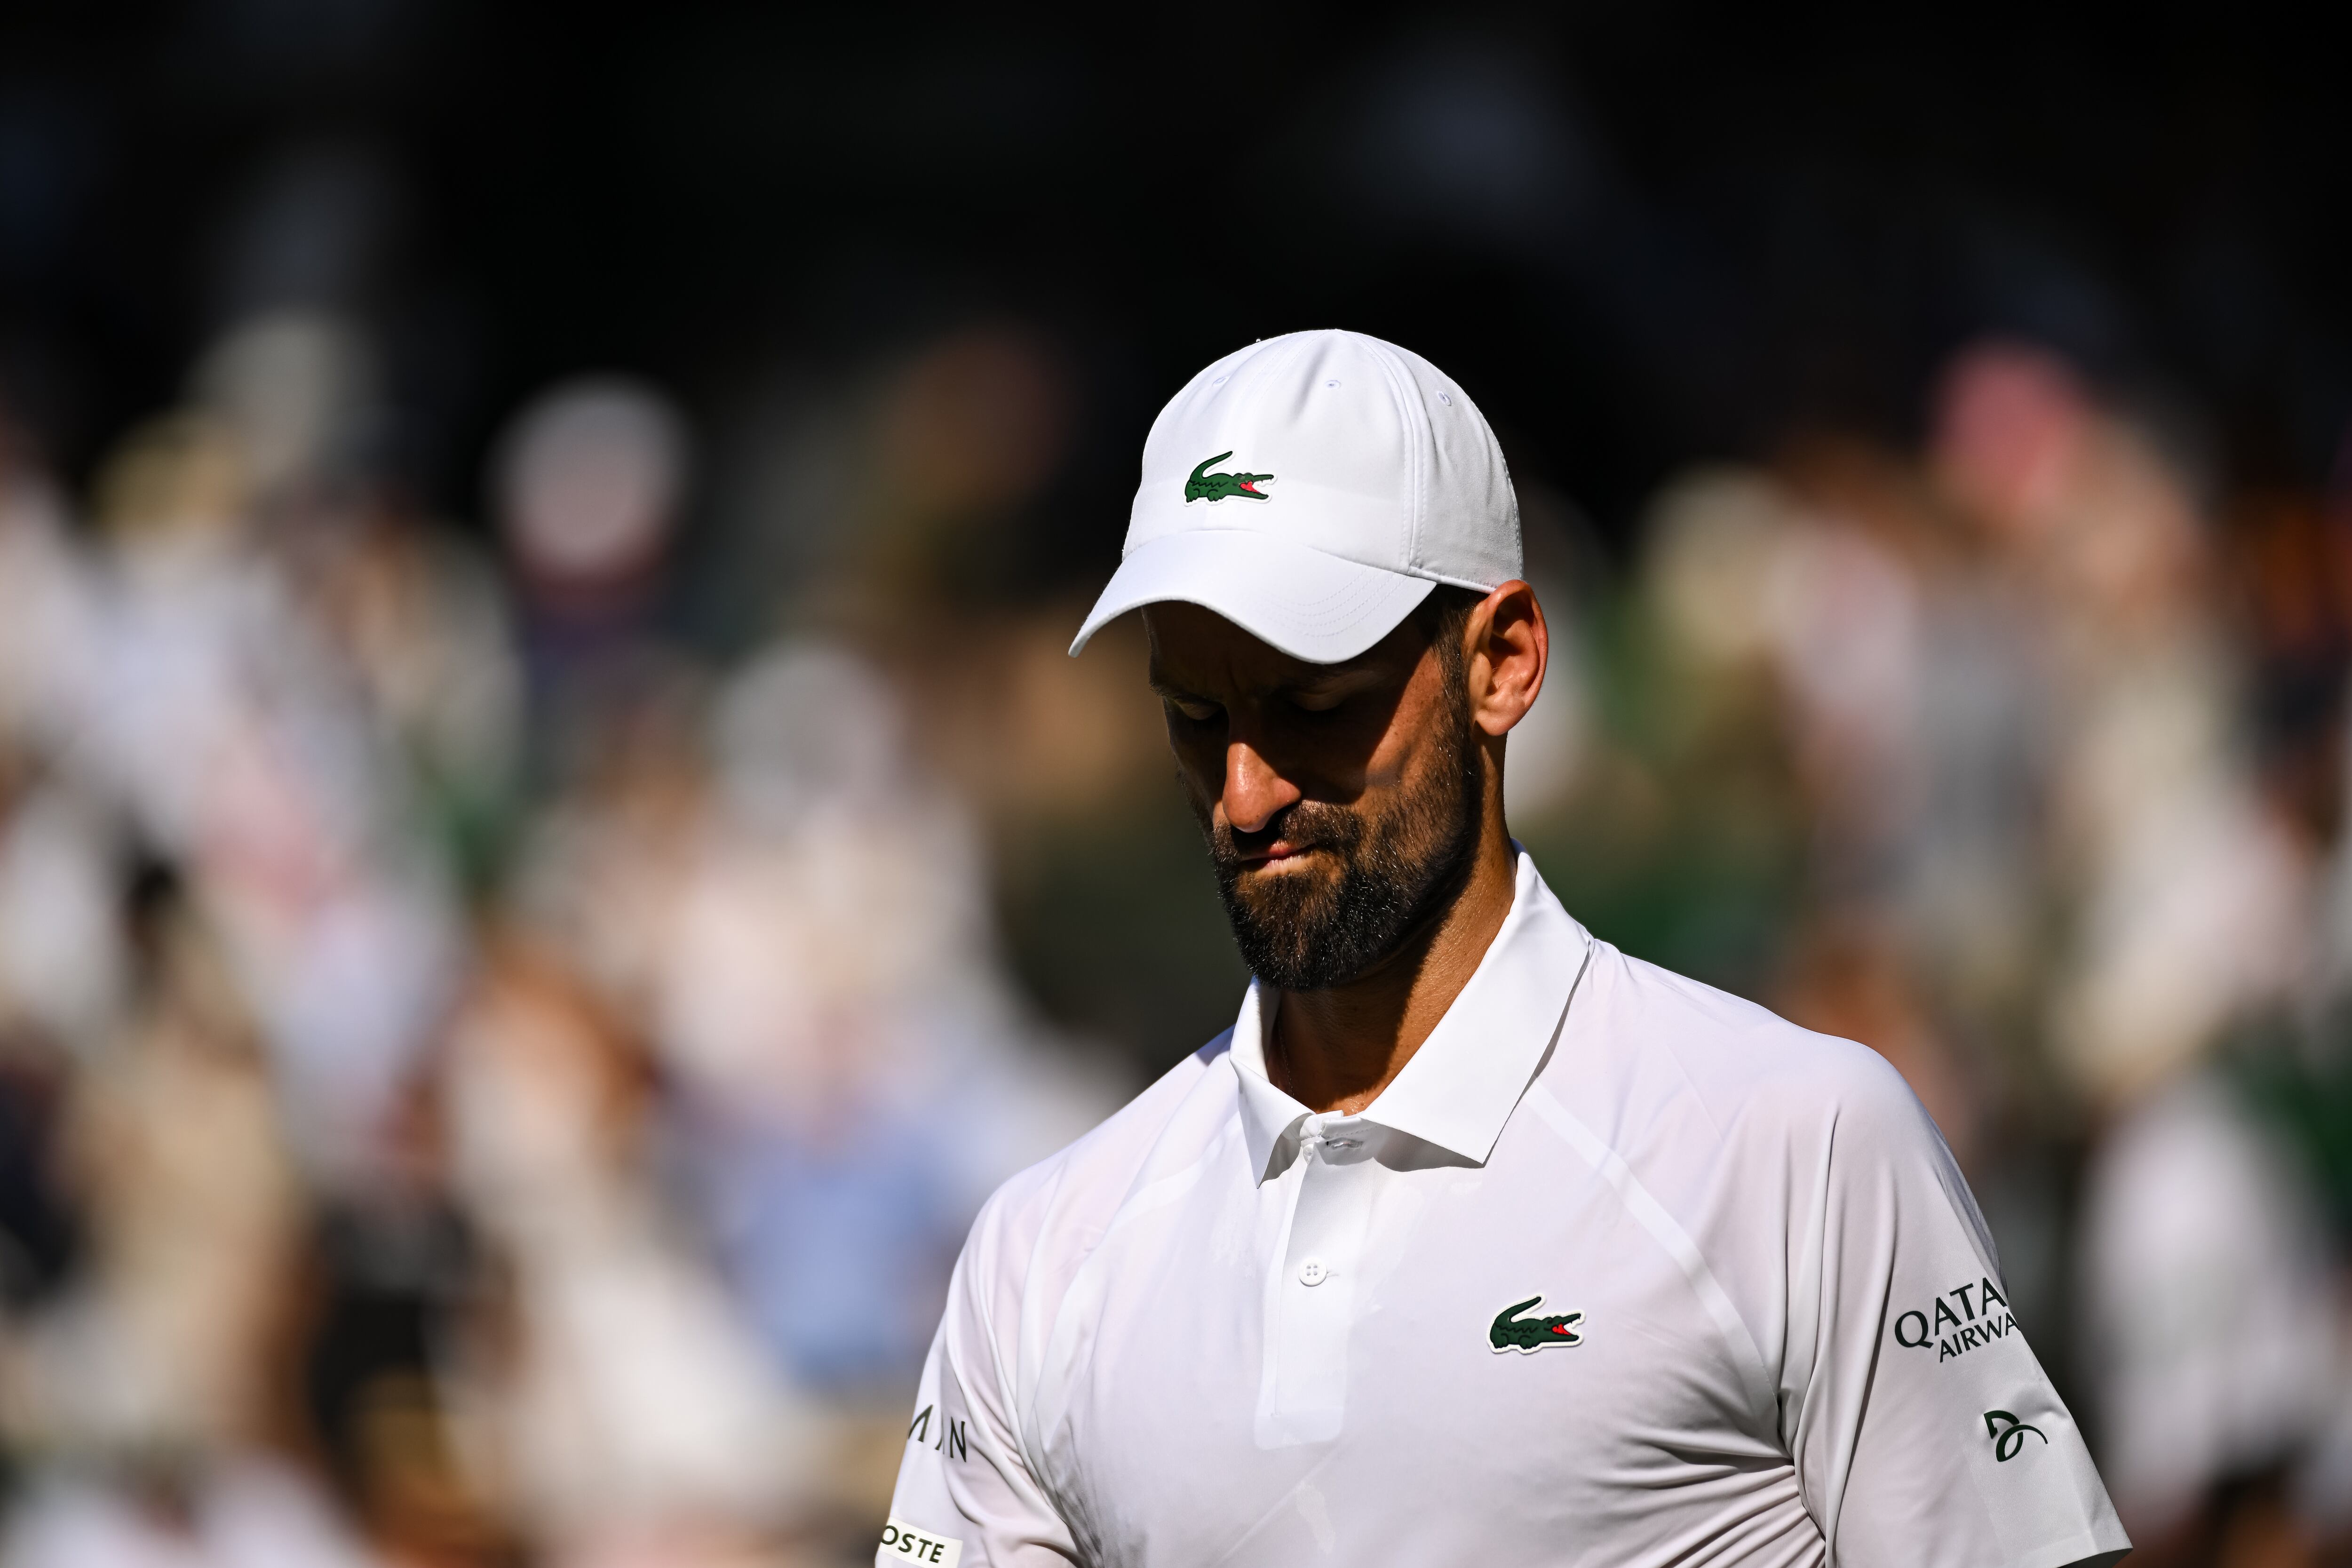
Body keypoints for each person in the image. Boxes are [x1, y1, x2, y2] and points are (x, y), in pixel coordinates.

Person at [881, 330, 2129, 1567]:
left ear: (1505, 661)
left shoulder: (1800, 1147)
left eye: (1317, 706)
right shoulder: (1042, 1256)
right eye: (1198, 718)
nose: (1245, 792)